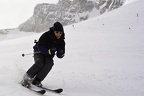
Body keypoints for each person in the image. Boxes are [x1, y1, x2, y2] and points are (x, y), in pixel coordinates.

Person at [21, 22, 65, 87]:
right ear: (53, 31)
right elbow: (40, 46)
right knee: (40, 63)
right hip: (39, 51)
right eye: (57, 32)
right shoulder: (46, 35)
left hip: (48, 55)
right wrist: (48, 51)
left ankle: (37, 80)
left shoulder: (61, 41)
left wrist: (61, 53)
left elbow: (60, 54)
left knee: (49, 64)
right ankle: (26, 79)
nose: (58, 34)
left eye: (60, 33)